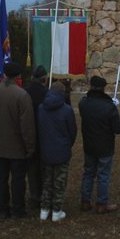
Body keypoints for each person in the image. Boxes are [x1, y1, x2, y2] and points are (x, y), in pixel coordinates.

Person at [0, 62, 36, 219]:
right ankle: (18, 209)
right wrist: (30, 146)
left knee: (1, 178)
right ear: (19, 75)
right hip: (17, 146)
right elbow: (27, 125)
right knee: (18, 180)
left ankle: (3, 208)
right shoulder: (22, 95)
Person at [79, 76, 120, 214]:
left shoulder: (83, 103)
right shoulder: (108, 106)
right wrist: (114, 110)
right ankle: (101, 203)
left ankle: (85, 201)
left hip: (89, 144)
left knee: (88, 173)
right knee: (103, 175)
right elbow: (119, 128)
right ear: (104, 88)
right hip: (105, 146)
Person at [38, 82, 77, 222]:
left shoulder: (41, 108)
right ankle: (56, 211)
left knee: (47, 181)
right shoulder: (66, 110)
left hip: (46, 149)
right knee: (59, 182)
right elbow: (72, 131)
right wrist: (67, 145)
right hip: (62, 149)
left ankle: (44, 210)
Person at [24, 65, 48, 210]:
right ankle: (44, 196)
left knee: (32, 169)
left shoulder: (25, 93)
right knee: (44, 169)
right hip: (43, 135)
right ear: (44, 79)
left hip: (28, 135)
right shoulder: (46, 94)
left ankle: (34, 196)